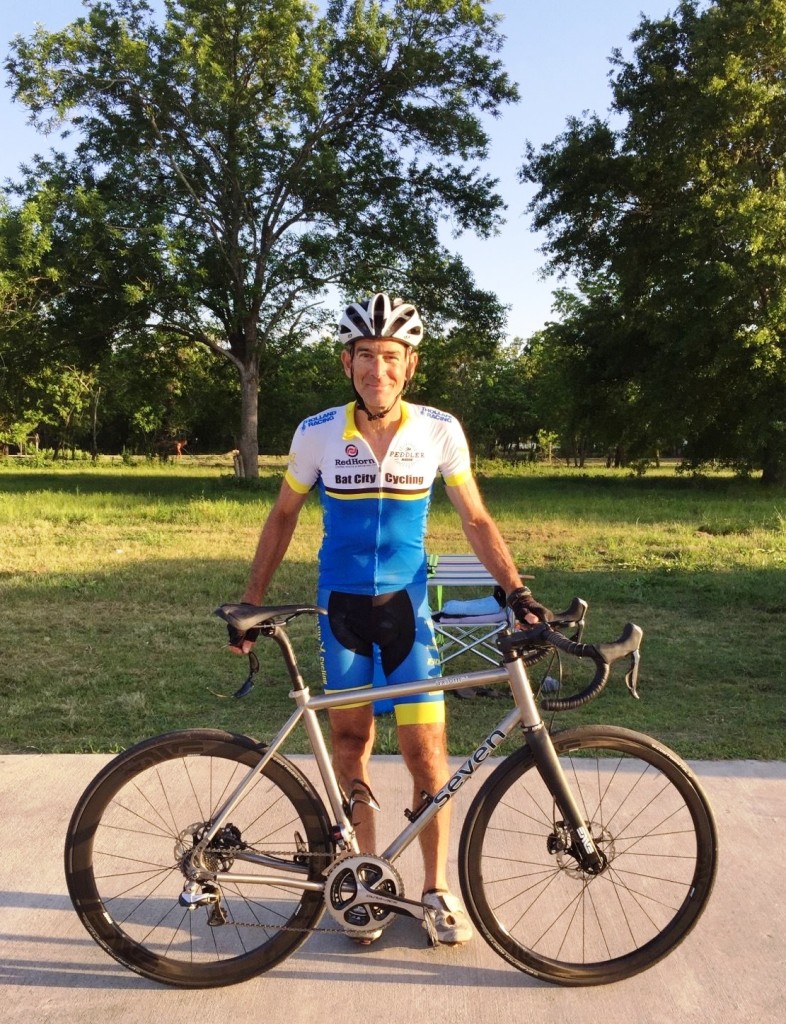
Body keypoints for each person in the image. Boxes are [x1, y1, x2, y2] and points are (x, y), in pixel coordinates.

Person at [228, 292, 549, 946]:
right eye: (367, 355)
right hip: (340, 608)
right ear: (348, 361)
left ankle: (436, 888)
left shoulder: (439, 430)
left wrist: (515, 590)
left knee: (426, 752)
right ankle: (363, 880)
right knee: (349, 743)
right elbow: (283, 517)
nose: (379, 368)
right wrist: (252, 597)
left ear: (411, 365)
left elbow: (476, 519)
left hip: (407, 610)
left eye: (391, 357)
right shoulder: (317, 432)